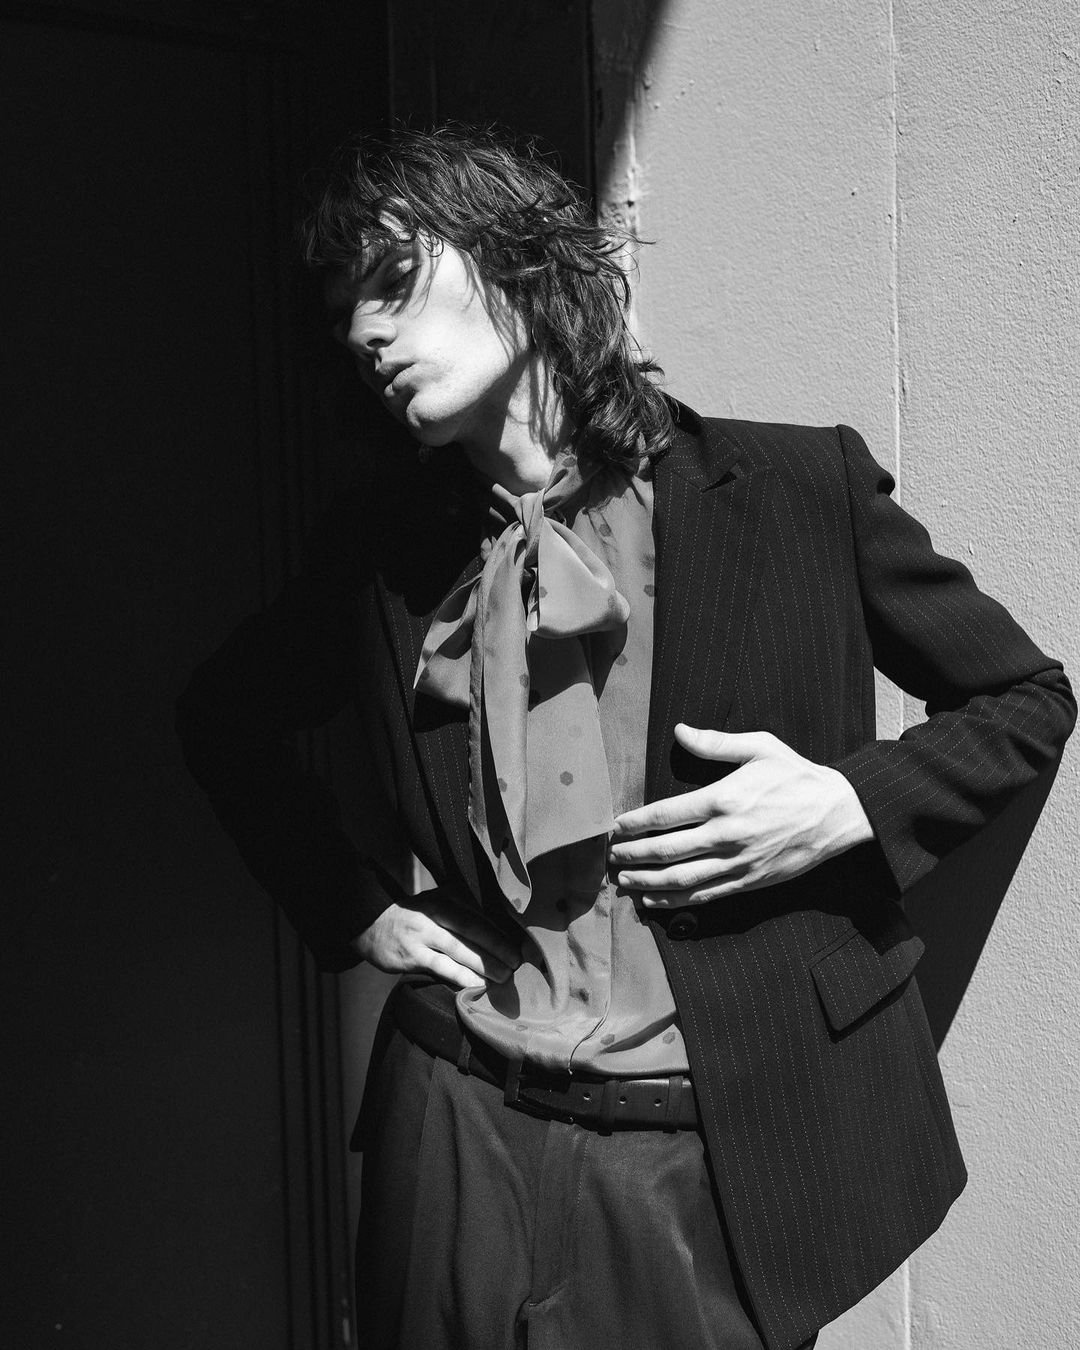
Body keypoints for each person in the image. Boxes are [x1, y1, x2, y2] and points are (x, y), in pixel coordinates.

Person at [176, 124, 1075, 1350]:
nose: (364, 335)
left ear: (519, 257)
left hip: (707, 1156)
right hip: (457, 1123)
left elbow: (1025, 699)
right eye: (345, 315)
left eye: (392, 281)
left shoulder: (793, 492)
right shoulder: (384, 551)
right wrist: (356, 908)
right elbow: (224, 716)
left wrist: (845, 804)